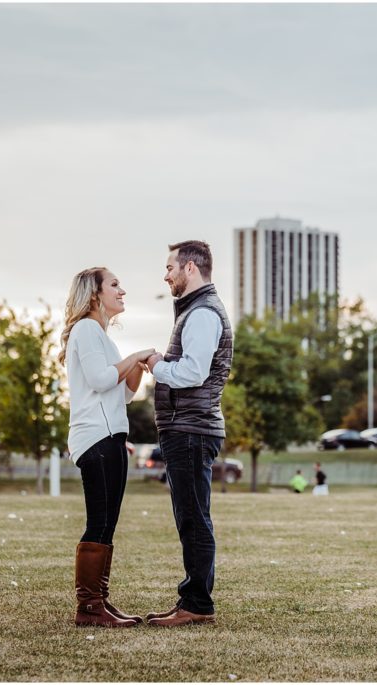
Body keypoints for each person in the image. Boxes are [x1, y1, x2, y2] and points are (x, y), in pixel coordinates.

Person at [143, 241, 233, 628]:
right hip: (187, 429)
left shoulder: (202, 314)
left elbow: (192, 372)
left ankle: (197, 604)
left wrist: (155, 364)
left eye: (169, 267)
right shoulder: (195, 311)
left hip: (192, 430)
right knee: (190, 516)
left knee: (194, 518)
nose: (166, 275)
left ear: (190, 268)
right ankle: (191, 599)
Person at [61, 267, 155, 628]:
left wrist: (137, 365)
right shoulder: (86, 328)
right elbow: (102, 380)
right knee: (98, 522)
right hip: (95, 438)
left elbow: (124, 393)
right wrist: (135, 356)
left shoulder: (101, 337)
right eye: (115, 285)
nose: (122, 290)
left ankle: (100, 601)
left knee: (108, 524)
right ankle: (88, 608)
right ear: (95, 294)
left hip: (112, 437)